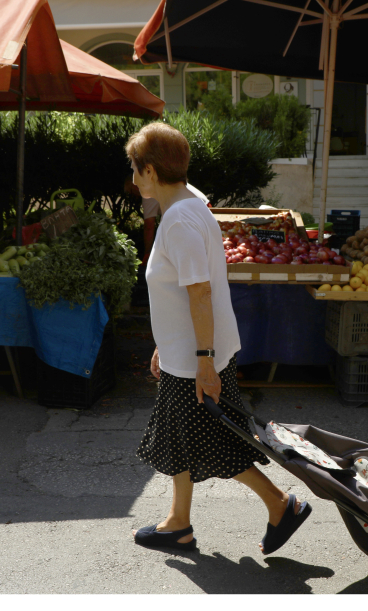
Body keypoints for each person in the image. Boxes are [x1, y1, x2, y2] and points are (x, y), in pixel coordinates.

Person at [127, 122, 311, 553]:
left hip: (196, 356)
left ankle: (280, 504)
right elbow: (183, 291)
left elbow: (201, 291)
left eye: (135, 169)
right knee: (181, 437)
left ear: (151, 171)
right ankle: (178, 522)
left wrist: (204, 360)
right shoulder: (191, 202)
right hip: (188, 351)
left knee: (215, 442)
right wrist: (165, 341)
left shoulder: (178, 222)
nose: (132, 178)